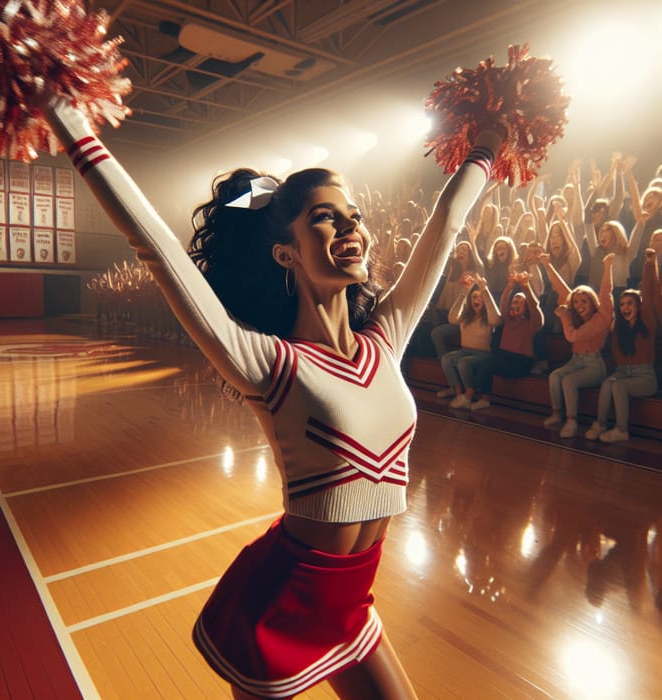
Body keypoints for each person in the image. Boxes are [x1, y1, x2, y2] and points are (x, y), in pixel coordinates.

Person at [39, 86, 504, 698]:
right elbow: (154, 246)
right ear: (286, 252)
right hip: (279, 609)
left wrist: (493, 140)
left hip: (352, 606)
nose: (350, 225)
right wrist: (65, 115)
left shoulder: (385, 338)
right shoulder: (267, 363)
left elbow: (446, 224)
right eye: (325, 216)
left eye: (352, 215)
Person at [585, 249, 658, 443]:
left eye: (630, 304)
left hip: (645, 377)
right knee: (608, 383)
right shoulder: (620, 328)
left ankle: (621, 429)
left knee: (618, 386)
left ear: (638, 306)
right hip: (623, 372)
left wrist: (649, 264)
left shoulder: (648, 322)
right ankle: (600, 423)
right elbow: (617, 357)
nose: (625, 307)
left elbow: (650, 295)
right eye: (623, 304)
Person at [541, 253, 614, 438]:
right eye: (576, 302)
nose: (579, 305)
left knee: (568, 380)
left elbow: (573, 336)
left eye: (584, 301)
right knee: (555, 376)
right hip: (576, 361)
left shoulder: (601, 318)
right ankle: (557, 414)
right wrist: (548, 265)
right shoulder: (575, 313)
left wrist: (607, 267)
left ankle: (571, 421)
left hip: (594, 365)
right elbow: (562, 290)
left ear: (592, 302)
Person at [439, 273, 501, 410]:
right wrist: (464, 292)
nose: (476, 299)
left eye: (480, 297)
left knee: (463, 363)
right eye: (474, 297)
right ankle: (459, 394)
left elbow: (496, 319)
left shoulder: (489, 317)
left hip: (482, 354)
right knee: (446, 358)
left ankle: (469, 396)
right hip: (465, 351)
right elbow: (452, 318)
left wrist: (484, 290)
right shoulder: (466, 315)